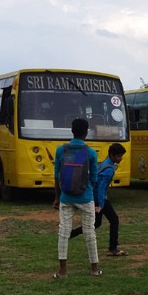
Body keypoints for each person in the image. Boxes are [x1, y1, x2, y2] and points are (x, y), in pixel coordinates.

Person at [53, 118, 101, 278]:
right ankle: (94, 269)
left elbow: (56, 175)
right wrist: (88, 192)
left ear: (72, 131)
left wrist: (57, 197)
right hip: (85, 197)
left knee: (64, 232)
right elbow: (94, 178)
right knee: (89, 232)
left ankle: (62, 270)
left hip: (66, 197)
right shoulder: (90, 152)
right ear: (86, 132)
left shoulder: (61, 150)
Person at [70, 143, 127, 256]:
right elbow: (101, 188)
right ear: (112, 155)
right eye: (119, 156)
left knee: (96, 223)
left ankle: (71, 234)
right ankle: (113, 248)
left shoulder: (105, 163)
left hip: (94, 196)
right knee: (114, 220)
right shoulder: (109, 169)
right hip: (99, 198)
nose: (121, 159)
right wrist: (100, 204)